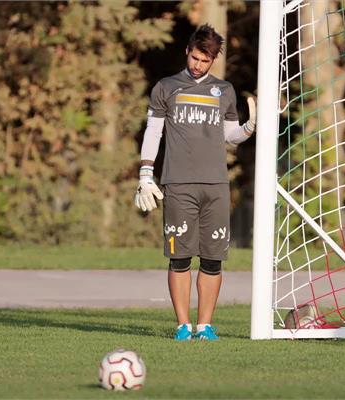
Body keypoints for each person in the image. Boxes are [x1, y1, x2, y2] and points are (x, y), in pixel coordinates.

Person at [135, 24, 256, 341]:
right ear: (187, 51)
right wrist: (146, 173)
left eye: (205, 60)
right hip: (178, 184)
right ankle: (182, 327)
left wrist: (249, 127)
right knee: (180, 257)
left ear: (213, 60)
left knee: (214, 258)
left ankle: (205, 327)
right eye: (194, 57)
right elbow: (153, 132)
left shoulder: (224, 91)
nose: (197, 65)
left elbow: (230, 137)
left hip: (216, 185)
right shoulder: (166, 87)